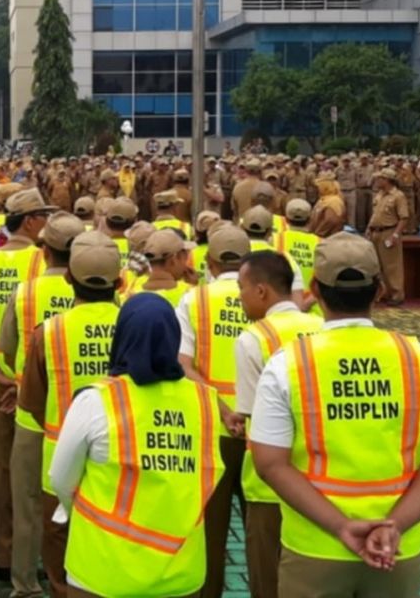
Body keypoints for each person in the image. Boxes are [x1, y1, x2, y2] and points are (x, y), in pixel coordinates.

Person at [250, 233, 420, 598]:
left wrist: (340, 527)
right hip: (396, 546)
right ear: (379, 289)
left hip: (314, 545)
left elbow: (270, 463)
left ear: (315, 291)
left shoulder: (288, 363)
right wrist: (394, 525)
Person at [51, 294, 224, 598]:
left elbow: (61, 478)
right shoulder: (204, 402)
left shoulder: (97, 400)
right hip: (180, 574)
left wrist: (74, 513)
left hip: (101, 571)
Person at [16, 231, 123, 597]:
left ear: (67, 279)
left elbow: (30, 403)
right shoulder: (132, 327)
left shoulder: (49, 333)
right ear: (120, 282)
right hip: (120, 468)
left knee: (61, 570)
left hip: (60, 469)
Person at [0, 211, 83, 598]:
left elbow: (9, 348)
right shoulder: (117, 298)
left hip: (36, 418)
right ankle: (79, 575)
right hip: (99, 420)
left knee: (29, 505)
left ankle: (27, 584)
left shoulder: (26, 292)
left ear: (43, 250)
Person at [0, 188, 52, 582]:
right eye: (44, 217)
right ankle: (42, 556)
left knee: (2, 472)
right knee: (40, 474)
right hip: (38, 384)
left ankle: (4, 555)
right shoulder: (43, 261)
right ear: (32, 221)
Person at [234, 251, 324, 598]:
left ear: (261, 292)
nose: (238, 297)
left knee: (268, 580)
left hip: (268, 484)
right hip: (319, 476)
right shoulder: (320, 328)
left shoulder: (253, 338)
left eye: (241, 288)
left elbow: (254, 416)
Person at [175, 222, 250, 598]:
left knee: (211, 532)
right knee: (266, 535)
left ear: (210, 259)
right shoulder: (268, 298)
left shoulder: (195, 299)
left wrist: (220, 408)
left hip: (212, 428)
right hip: (264, 433)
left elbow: (183, 365)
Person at [367, 169, 409, 306]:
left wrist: (396, 235)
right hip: (375, 232)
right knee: (376, 265)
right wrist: (368, 230)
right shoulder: (379, 194)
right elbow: (375, 215)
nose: (377, 181)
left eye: (380, 178)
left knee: (391, 265)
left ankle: (397, 294)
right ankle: (383, 292)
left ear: (388, 180)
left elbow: (404, 217)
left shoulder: (398, 196)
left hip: (389, 232)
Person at [123, 228, 193, 307]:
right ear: (173, 260)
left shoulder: (130, 295)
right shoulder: (189, 293)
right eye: (185, 256)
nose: (185, 263)